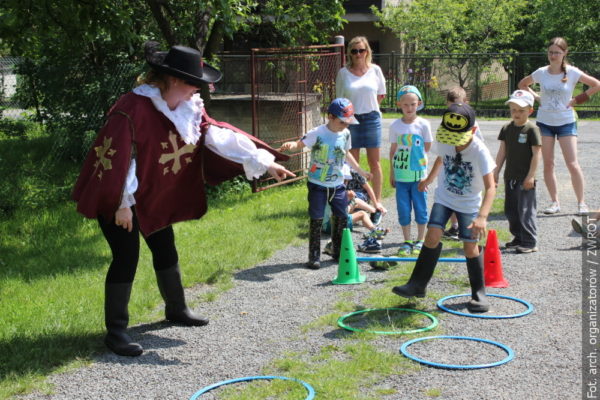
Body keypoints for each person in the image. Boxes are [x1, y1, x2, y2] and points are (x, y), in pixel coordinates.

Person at [72, 43, 294, 357]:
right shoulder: (132, 108)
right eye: (194, 83)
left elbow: (217, 136)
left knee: (165, 246)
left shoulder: (189, 106)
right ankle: (117, 331)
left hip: (151, 194)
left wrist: (265, 161)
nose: (198, 89)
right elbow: (122, 158)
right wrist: (122, 203)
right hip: (118, 194)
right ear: (174, 80)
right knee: (126, 256)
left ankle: (176, 309)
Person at [392, 103, 496, 313]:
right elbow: (441, 158)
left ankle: (479, 294)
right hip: (445, 198)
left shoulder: (479, 151)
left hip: (468, 204)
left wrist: (482, 216)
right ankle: (417, 285)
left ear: (473, 131)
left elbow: (491, 187)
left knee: (469, 247)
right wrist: (429, 179)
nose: (453, 143)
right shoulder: (447, 138)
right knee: (431, 237)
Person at [279, 98, 371, 269]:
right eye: (342, 122)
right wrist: (291, 145)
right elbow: (300, 143)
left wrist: (360, 171)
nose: (345, 125)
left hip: (337, 185)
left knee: (342, 217)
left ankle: (337, 251)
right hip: (317, 185)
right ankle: (314, 256)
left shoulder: (346, 134)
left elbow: (346, 154)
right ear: (330, 116)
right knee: (317, 218)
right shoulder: (318, 133)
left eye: (348, 122)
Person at [518, 37, 600, 215]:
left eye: (557, 52)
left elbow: (596, 85)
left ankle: (581, 203)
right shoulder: (541, 72)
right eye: (550, 52)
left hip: (566, 122)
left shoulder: (572, 72)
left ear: (564, 53)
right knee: (548, 163)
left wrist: (577, 100)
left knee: (572, 163)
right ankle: (554, 202)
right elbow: (522, 84)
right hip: (545, 122)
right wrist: (537, 97)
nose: (553, 56)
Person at [335, 36, 386, 204]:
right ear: (350, 53)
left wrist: (369, 108)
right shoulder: (343, 73)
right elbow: (340, 99)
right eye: (354, 51)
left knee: (374, 162)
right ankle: (356, 201)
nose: (358, 54)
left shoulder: (375, 70)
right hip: (351, 120)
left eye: (361, 50)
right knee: (353, 163)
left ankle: (377, 201)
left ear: (367, 52)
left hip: (371, 118)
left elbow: (381, 94)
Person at [493, 90, 542, 253]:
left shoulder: (531, 129)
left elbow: (536, 154)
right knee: (511, 210)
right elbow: (502, 152)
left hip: (525, 179)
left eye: (521, 110)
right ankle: (518, 237)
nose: (517, 113)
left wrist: (531, 176)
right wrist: (496, 172)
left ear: (530, 111)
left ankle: (529, 241)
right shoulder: (506, 128)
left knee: (526, 211)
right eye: (513, 110)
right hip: (510, 178)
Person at [389, 85, 433, 256]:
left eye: (413, 104)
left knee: (421, 208)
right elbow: (393, 151)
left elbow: (427, 147)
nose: (409, 108)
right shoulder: (395, 126)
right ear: (399, 104)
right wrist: (392, 173)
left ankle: (420, 240)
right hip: (401, 177)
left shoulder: (423, 124)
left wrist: (423, 172)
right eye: (405, 104)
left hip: (419, 176)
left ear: (419, 103)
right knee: (403, 208)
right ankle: (407, 240)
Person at [443, 86, 484, 240]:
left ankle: (466, 228)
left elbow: (479, 143)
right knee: (451, 193)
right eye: (451, 106)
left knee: (464, 196)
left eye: (459, 105)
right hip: (453, 163)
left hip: (467, 165)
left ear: (466, 103)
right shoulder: (448, 121)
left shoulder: (471, 122)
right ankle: (454, 227)